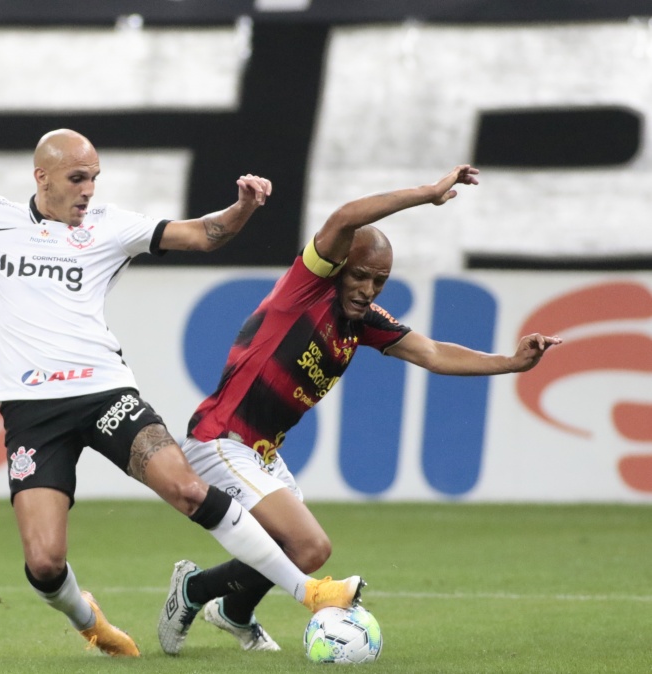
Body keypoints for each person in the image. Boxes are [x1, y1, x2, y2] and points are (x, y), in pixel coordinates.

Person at [0, 129, 365, 658]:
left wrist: (241, 209)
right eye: (77, 178)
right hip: (31, 412)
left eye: (94, 178)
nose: (88, 190)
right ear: (42, 176)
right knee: (44, 561)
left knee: (188, 489)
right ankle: (90, 621)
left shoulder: (110, 227)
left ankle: (310, 592)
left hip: (105, 392)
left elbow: (202, 236)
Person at [158, 164, 564, 654]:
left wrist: (510, 362)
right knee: (312, 547)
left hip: (262, 452)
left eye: (380, 281)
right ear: (339, 266)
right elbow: (346, 216)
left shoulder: (363, 321)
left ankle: (229, 609)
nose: (368, 289)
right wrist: (428, 194)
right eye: (361, 276)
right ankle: (196, 592)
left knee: (296, 549)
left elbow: (431, 352)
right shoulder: (305, 287)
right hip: (221, 440)